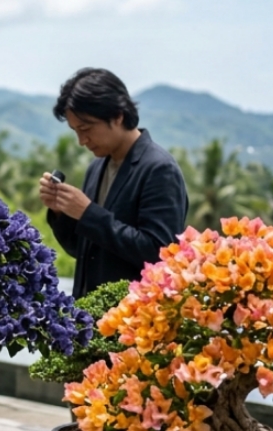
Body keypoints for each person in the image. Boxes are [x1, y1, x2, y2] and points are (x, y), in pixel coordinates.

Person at [39, 68, 188, 298]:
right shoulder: (96, 167)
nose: (81, 141)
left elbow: (158, 252)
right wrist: (61, 213)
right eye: (75, 131)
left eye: (86, 128)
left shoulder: (159, 169)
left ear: (118, 116)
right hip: (90, 319)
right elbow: (83, 250)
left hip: (134, 321)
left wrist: (88, 213)